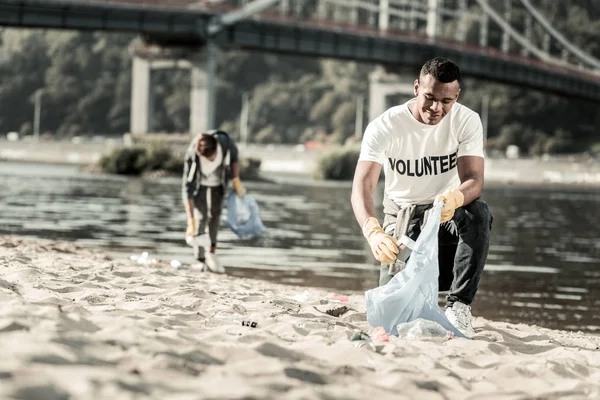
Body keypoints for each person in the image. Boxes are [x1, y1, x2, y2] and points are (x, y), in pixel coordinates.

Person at [351, 57, 492, 337]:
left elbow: (474, 181)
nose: (437, 108)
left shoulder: (466, 120)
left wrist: (453, 199)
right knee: (390, 313)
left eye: (446, 101)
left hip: (446, 212)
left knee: (478, 213)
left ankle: (459, 306)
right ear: (417, 88)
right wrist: (373, 232)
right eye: (429, 97)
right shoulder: (386, 125)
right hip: (403, 214)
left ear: (457, 96)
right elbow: (362, 187)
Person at [182, 129, 246, 273]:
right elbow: (187, 190)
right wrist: (190, 220)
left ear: (217, 148)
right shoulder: (193, 154)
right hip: (200, 185)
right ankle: (200, 260)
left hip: (219, 183)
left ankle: (211, 252)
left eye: (212, 157)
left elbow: (234, 159)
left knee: (215, 216)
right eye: (207, 158)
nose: (211, 160)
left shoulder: (224, 141)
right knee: (201, 217)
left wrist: (236, 180)